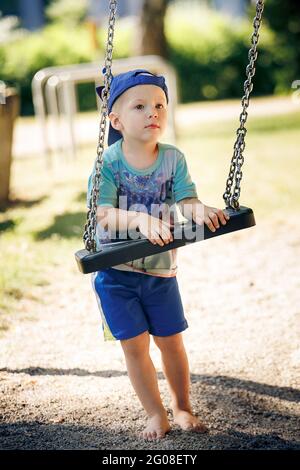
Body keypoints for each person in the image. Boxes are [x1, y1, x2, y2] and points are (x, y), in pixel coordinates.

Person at [88, 69, 230, 441]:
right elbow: (102, 213)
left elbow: (187, 200)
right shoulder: (108, 163)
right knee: (135, 347)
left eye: (159, 105)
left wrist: (201, 211)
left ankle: (182, 406)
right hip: (115, 272)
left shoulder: (172, 159)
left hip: (161, 272)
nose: (153, 112)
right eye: (140, 106)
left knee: (171, 340)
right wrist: (137, 218)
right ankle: (155, 414)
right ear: (115, 120)